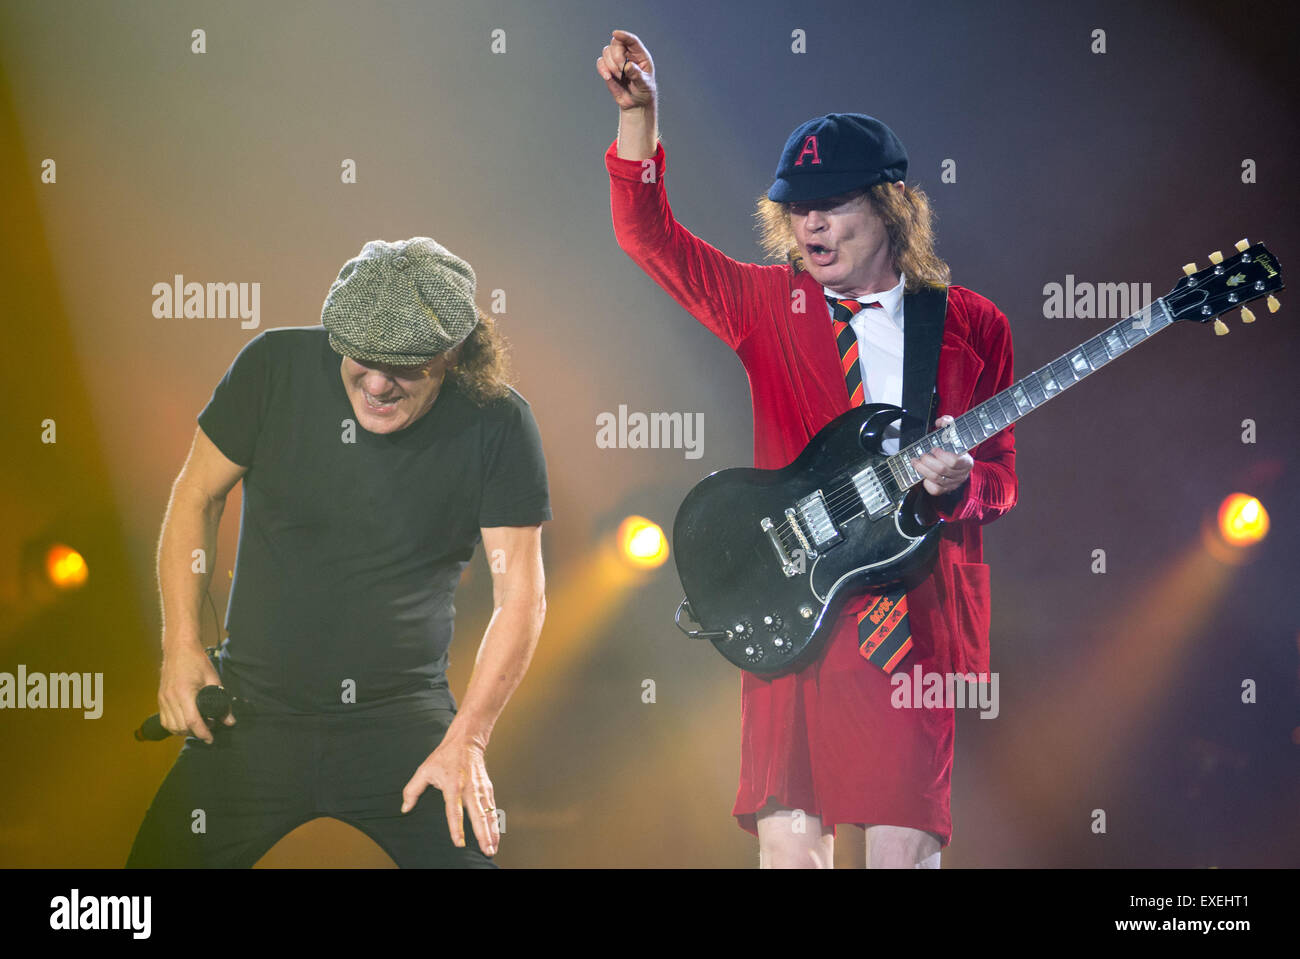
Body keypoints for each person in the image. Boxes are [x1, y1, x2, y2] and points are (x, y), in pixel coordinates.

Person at [598, 31, 1017, 868]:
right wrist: (640, 119)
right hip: (789, 603)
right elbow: (650, 238)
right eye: (796, 206)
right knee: (791, 851)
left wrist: (964, 484)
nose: (810, 224)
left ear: (890, 206)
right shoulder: (768, 303)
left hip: (908, 622)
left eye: (831, 204)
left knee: (902, 853)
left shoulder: (971, 323)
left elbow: (1002, 480)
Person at [126, 237, 550, 868]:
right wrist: (181, 646)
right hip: (251, 714)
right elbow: (196, 498)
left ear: (453, 353)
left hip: (402, 723)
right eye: (360, 358)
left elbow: (520, 594)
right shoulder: (272, 365)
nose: (377, 384)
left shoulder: (498, 423)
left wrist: (471, 737)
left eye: (403, 365)